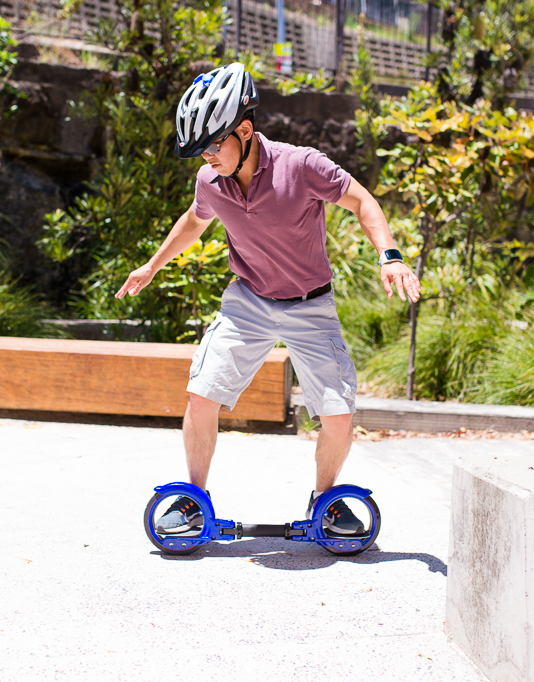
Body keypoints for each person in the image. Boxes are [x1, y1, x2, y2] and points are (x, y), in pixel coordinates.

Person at [116, 61, 421, 537]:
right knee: (201, 395)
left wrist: (391, 256)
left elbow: (363, 202)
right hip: (248, 302)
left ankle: (327, 503)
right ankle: (195, 500)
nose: (208, 158)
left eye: (214, 145)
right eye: (200, 151)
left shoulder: (301, 166)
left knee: (338, 416)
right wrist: (152, 265)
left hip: (310, 304)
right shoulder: (210, 182)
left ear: (245, 129)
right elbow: (195, 221)